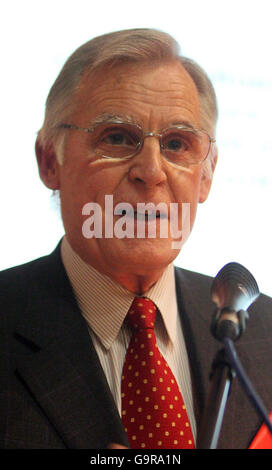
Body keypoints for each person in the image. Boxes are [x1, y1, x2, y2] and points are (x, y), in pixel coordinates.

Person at [1, 28, 272, 450]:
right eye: (116, 138)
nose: (151, 170)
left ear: (207, 173)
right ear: (49, 160)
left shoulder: (265, 334)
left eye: (178, 144)